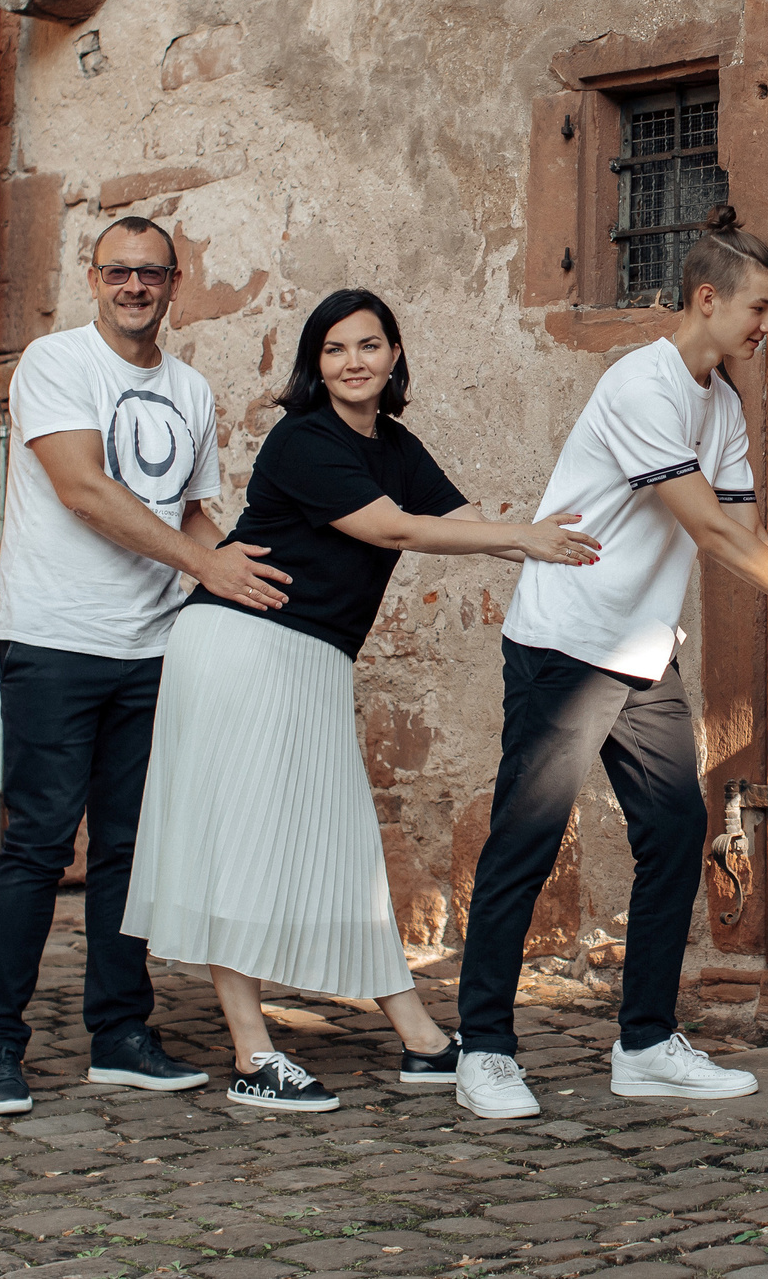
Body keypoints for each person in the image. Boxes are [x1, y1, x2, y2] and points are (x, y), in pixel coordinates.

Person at [454, 203, 768, 1121]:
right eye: (759, 308)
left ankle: (645, 1043)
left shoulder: (723, 403)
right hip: (566, 642)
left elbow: (746, 533)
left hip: (640, 652)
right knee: (528, 840)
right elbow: (706, 527)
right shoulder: (643, 386)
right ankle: (484, 1049)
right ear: (707, 298)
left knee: (673, 836)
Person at [122, 289, 604, 1111]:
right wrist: (523, 536)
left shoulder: (395, 445)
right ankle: (253, 1053)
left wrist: (562, 544)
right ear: (316, 364)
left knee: (344, 843)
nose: (354, 362)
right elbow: (395, 530)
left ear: (394, 356)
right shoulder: (303, 439)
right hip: (241, 647)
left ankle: (421, 1038)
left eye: (369, 345)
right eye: (336, 348)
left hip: (311, 658)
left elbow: (457, 520)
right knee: (238, 842)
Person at [0, 216, 291, 1117]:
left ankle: (120, 1034)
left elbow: (191, 516)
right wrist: (207, 565)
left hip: (152, 647)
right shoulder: (56, 363)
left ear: (175, 282)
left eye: (151, 272)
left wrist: (252, 582)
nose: (134, 286)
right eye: (118, 271)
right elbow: (84, 489)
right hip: (55, 638)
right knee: (37, 843)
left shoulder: (190, 389)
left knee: (129, 850)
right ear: (92, 278)